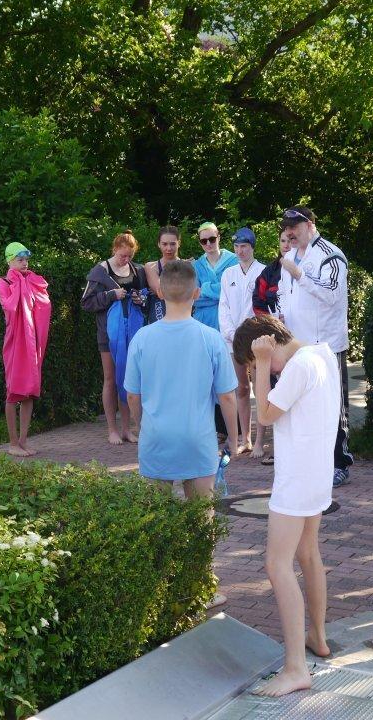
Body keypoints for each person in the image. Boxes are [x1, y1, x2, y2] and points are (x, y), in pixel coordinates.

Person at [124, 260, 238, 610]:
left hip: (156, 438)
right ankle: (201, 584)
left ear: (160, 292)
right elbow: (228, 396)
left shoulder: (143, 338)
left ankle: (157, 587)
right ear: (197, 293)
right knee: (202, 516)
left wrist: (140, 426)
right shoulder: (210, 338)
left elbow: (132, 395)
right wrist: (234, 439)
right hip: (198, 439)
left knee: (156, 517)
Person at [235, 316, 338, 697]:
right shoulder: (322, 354)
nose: (262, 371)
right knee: (308, 554)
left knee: (277, 564)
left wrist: (262, 364)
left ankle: (295, 667)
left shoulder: (298, 366)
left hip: (296, 480)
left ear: (268, 343)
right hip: (316, 474)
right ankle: (317, 636)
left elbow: (264, 415)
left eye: (255, 362)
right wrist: (264, 362)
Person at [278, 206, 353, 486]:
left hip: (326, 346)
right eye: (286, 228)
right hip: (296, 346)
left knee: (334, 407)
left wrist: (299, 274)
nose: (289, 233)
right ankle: (311, 462)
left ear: (310, 225)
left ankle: (340, 463)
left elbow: (332, 295)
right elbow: (284, 295)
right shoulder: (289, 257)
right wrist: (281, 315)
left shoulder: (331, 255)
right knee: (303, 405)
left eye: (294, 227)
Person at [81, 231, 146, 445]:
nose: (125, 260)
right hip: (108, 334)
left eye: (129, 256)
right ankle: (112, 429)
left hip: (132, 334)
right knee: (110, 379)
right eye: (122, 256)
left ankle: (127, 429)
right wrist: (111, 295)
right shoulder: (100, 272)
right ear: (114, 249)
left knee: (128, 379)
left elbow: (146, 296)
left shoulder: (137, 270)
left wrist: (140, 299)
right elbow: (86, 303)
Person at [0, 242, 52, 457]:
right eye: (20, 260)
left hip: (32, 342)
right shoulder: (4, 283)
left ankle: (23, 441)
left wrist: (27, 286)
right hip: (15, 342)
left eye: (26, 260)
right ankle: (12, 443)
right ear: (10, 261)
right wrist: (19, 286)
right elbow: (9, 307)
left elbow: (43, 305)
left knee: (29, 393)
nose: (24, 263)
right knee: (13, 392)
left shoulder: (33, 281)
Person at [219, 227, 266, 458]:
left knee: (260, 388)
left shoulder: (263, 272)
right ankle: (244, 439)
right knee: (241, 388)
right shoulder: (228, 274)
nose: (240, 251)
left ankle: (259, 441)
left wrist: (252, 333)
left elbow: (264, 307)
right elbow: (224, 306)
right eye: (236, 247)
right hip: (234, 340)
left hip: (257, 339)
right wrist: (231, 333)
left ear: (252, 247)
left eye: (244, 246)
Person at [193, 222, 238, 329]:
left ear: (219, 238)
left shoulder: (234, 261)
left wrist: (204, 288)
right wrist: (222, 295)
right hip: (203, 321)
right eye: (204, 241)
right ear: (200, 243)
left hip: (229, 318)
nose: (208, 243)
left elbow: (235, 291)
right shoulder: (197, 265)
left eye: (212, 239)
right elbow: (194, 299)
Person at [143, 226, 183, 323]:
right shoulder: (151, 266)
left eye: (173, 244)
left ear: (179, 243)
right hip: (158, 317)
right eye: (164, 244)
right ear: (159, 244)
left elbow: (188, 293)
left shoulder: (188, 265)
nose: (168, 248)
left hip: (182, 317)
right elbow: (161, 291)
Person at [252, 229, 291, 318]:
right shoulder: (269, 271)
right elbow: (258, 301)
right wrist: (272, 322)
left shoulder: (304, 268)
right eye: (283, 241)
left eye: (289, 241)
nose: (286, 245)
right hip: (275, 324)